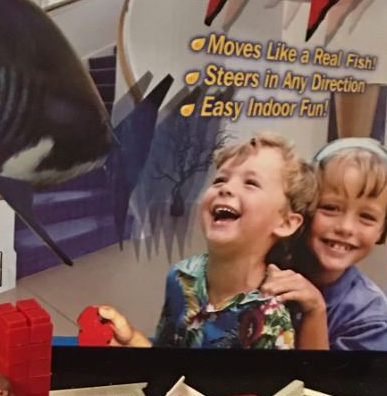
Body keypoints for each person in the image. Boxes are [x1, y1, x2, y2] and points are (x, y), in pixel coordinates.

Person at [100, 132, 316, 349]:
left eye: (251, 183)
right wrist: (132, 340)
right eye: (220, 179)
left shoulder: (270, 317)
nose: (226, 188)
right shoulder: (182, 276)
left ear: (285, 223)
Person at [257, 138, 387, 350]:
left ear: (383, 227)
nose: (346, 228)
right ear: (305, 207)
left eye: (367, 217)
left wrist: (315, 311)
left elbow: (325, 373)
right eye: (331, 208)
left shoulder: (372, 318)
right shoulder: (265, 259)